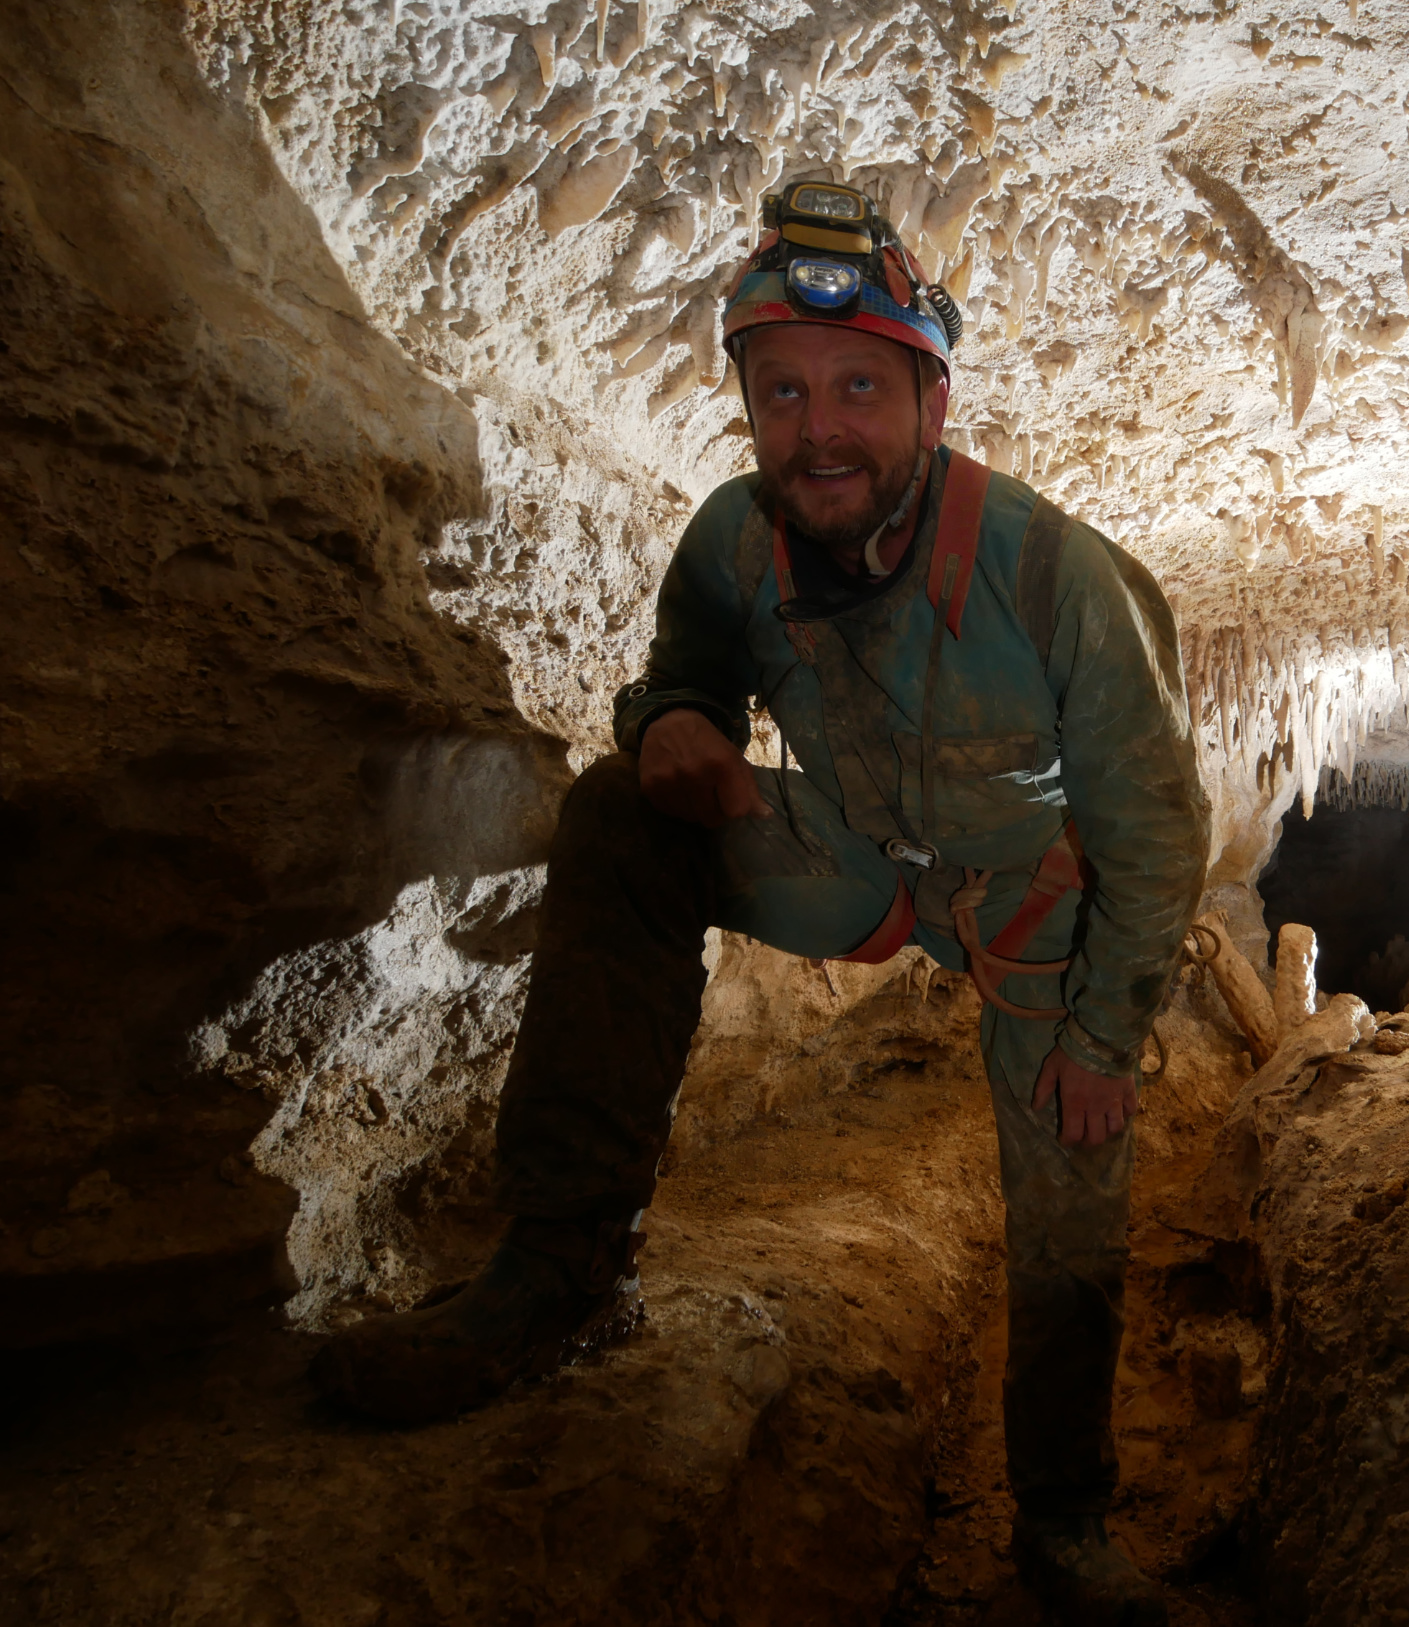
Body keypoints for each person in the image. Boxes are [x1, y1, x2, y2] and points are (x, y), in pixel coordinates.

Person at [311, 175, 1209, 1625]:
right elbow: (684, 676)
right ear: (745, 406)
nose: (819, 428)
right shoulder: (734, 540)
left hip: (1031, 907)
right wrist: (670, 719)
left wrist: (1107, 1036)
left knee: (1068, 1209)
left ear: (930, 401)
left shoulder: (1050, 573)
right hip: (854, 863)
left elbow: (1155, 826)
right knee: (621, 815)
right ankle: (558, 1272)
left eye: (859, 387)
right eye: (781, 390)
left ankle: (1062, 1517)